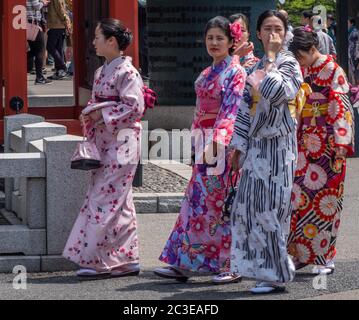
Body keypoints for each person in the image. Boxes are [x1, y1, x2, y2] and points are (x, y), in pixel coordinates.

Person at [154, 16, 246, 284]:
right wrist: (196, 145)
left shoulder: (236, 72)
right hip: (204, 143)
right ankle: (184, 262)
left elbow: (231, 111)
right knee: (196, 205)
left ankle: (231, 264)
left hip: (222, 146)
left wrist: (216, 144)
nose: (214, 43)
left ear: (231, 42)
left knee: (222, 206)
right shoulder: (207, 73)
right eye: (210, 38)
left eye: (220, 38)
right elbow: (198, 113)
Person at [63, 18, 145, 278]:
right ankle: (127, 258)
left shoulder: (128, 72)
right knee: (120, 201)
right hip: (106, 141)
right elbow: (101, 105)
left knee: (104, 198)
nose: (94, 41)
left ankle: (97, 260)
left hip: (123, 142)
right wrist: (91, 115)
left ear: (112, 41)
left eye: (98, 36)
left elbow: (135, 107)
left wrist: (101, 115)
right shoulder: (102, 72)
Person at [229, 10, 303, 294]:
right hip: (257, 146)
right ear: (258, 33)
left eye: (278, 29)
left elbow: (278, 93)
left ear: (285, 34)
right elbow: (246, 108)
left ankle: (276, 274)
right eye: (267, 29)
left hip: (279, 146)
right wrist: (239, 145)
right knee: (250, 208)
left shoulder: (289, 64)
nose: (273, 34)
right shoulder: (255, 66)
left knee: (272, 208)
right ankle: (264, 268)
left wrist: (272, 58)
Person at [287, 27, 355, 276]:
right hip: (305, 146)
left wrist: (340, 144)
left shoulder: (333, 70)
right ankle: (301, 255)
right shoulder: (305, 71)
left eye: (300, 56)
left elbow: (341, 107)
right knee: (301, 201)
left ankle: (326, 257)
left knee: (326, 203)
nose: (299, 62)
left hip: (328, 147)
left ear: (312, 49)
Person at [26, 0, 52, 85]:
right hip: (34, 24)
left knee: (34, 50)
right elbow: (36, 6)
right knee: (40, 50)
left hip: (29, 24)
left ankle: (20, 61)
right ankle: (39, 77)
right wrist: (43, 2)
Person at [46, 0, 72, 80]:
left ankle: (62, 67)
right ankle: (59, 70)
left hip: (56, 25)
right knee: (58, 48)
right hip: (58, 25)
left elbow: (61, 11)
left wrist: (66, 21)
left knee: (50, 47)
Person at [348, 17, 359, 84]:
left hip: (355, 55)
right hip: (351, 54)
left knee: (355, 71)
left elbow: (357, 44)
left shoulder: (355, 32)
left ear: (352, 23)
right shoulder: (350, 31)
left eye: (348, 23)